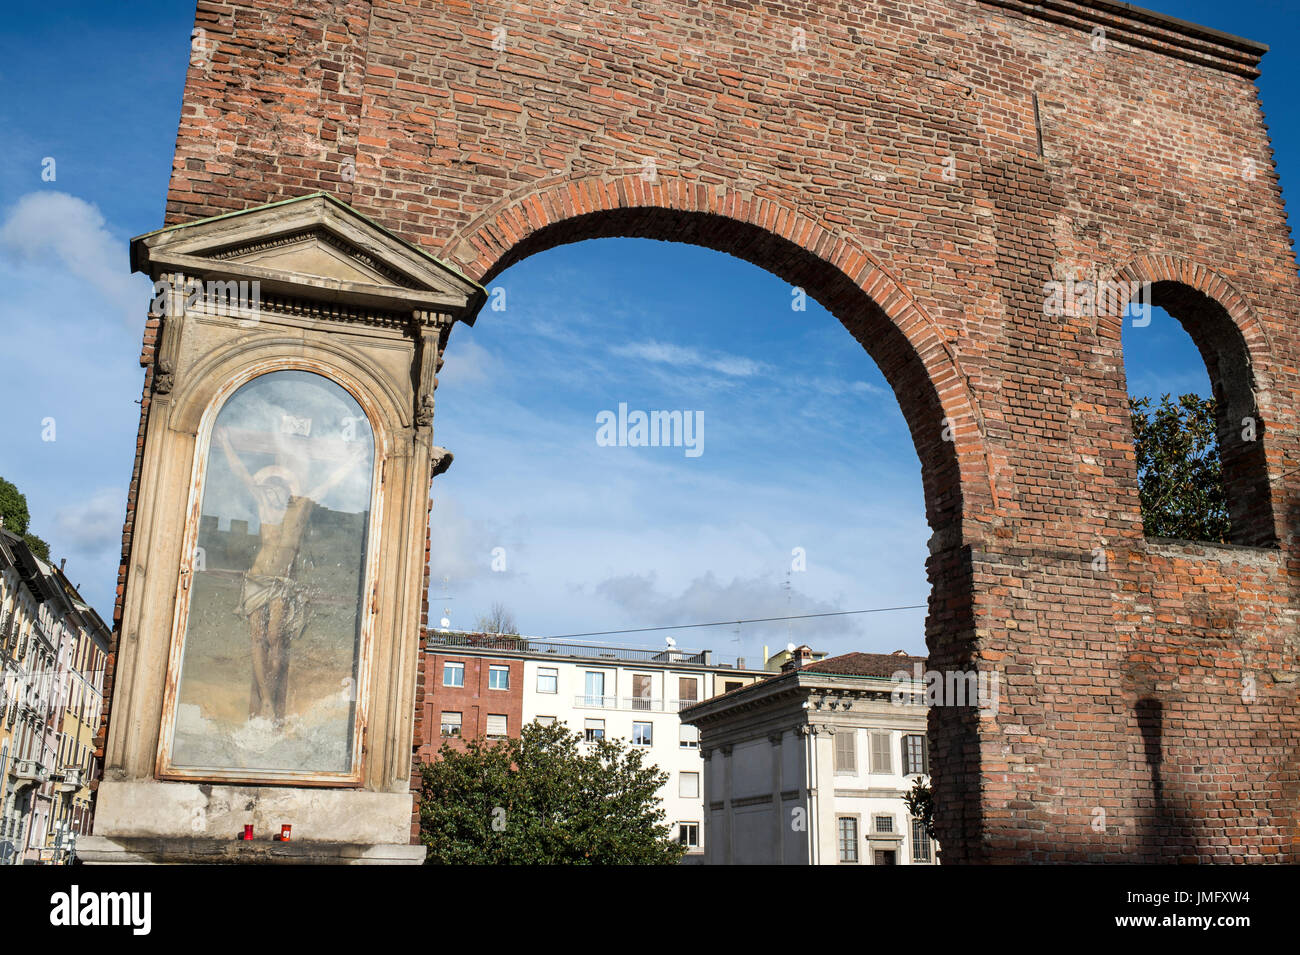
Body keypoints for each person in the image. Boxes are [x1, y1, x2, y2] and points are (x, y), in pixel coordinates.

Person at [215, 426, 365, 724]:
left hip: (282, 583)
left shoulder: (300, 510)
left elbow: (328, 484)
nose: (271, 495)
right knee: (258, 638)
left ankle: (271, 696)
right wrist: (225, 444)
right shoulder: (261, 505)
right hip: (258, 579)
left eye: (277, 491)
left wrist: (353, 460)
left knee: (275, 638)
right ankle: (267, 702)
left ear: (286, 492)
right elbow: (243, 475)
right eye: (268, 491)